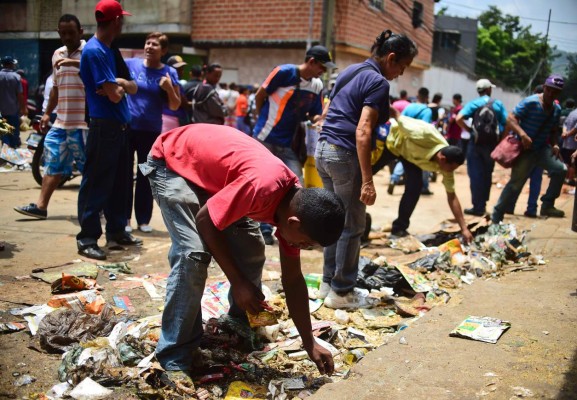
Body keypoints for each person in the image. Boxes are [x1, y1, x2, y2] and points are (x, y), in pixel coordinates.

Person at [140, 124, 345, 386]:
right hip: (171, 161)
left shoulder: (294, 208)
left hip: (211, 174)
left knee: (251, 249)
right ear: (293, 223)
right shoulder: (262, 188)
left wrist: (309, 342)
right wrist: (238, 282)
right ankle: (174, 356)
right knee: (193, 254)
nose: (302, 248)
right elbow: (206, 221)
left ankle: (237, 321)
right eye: (305, 243)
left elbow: (293, 280)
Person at [315, 30, 417, 309]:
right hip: (345, 154)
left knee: (333, 221)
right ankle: (341, 292)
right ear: (391, 58)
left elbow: (335, 109)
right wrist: (368, 181)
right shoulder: (378, 82)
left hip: (323, 150)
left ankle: (327, 283)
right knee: (351, 225)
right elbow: (362, 131)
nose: (400, 74)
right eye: (402, 67)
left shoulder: (351, 71)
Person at [76, 0, 141, 261]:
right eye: (121, 19)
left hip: (120, 126)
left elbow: (128, 87)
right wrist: (118, 88)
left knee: (120, 184)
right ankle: (87, 237)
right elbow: (114, 96)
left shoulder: (109, 49)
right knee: (97, 183)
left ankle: (116, 230)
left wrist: (120, 83)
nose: (122, 23)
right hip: (105, 126)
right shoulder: (95, 51)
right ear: (116, 21)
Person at [253, 45, 334, 244]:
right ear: (312, 61)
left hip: (288, 143)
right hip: (264, 137)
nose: (323, 72)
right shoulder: (283, 72)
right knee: (264, 185)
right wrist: (262, 118)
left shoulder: (316, 85)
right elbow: (259, 95)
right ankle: (263, 229)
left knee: (297, 184)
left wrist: (319, 120)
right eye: (322, 67)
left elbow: (314, 113)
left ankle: (291, 229)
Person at [14, 14, 88, 220]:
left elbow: (96, 79)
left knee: (88, 168)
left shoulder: (90, 52)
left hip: (83, 124)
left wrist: (74, 64)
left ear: (80, 32)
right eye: (63, 33)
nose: (67, 37)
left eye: (71, 33)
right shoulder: (57, 54)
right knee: (53, 163)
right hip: (60, 121)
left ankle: (93, 211)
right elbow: (55, 88)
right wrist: (47, 113)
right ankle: (41, 206)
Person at [125, 32, 181, 234]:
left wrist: (169, 89)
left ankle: (143, 220)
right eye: (147, 43)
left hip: (150, 131)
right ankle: (125, 220)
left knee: (145, 175)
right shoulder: (131, 65)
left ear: (163, 50)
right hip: (128, 127)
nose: (149, 47)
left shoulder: (168, 73)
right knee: (124, 175)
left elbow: (175, 105)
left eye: (155, 44)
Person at [491, 75, 567, 223]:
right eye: (549, 90)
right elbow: (510, 118)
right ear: (544, 87)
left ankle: (547, 204)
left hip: (542, 149)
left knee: (561, 170)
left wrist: (555, 144)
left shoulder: (556, 109)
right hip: (525, 151)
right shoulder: (530, 102)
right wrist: (522, 134)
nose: (551, 94)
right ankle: (496, 215)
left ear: (559, 94)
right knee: (515, 184)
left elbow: (553, 131)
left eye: (555, 92)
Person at [456, 79, 507, 216]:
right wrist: (501, 140)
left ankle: (478, 206)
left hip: (476, 143)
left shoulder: (474, 103)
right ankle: (483, 202)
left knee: (475, 174)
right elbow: (507, 123)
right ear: (489, 89)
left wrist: (470, 130)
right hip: (492, 145)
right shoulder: (497, 104)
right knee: (487, 174)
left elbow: (458, 118)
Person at [401, 87, 434, 195]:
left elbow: (400, 120)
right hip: (418, 142)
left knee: (404, 161)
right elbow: (425, 127)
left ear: (417, 95)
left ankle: (394, 177)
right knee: (424, 164)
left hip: (405, 139)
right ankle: (424, 186)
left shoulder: (409, 106)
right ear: (427, 97)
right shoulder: (426, 110)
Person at [0, 56, 27, 148]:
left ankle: (5, 151)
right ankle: (13, 150)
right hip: (13, 110)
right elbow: (20, 95)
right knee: (14, 131)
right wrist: (24, 108)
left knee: (3, 131)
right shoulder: (16, 76)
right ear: (11, 64)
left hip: (1, 111)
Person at [161, 55, 188, 131]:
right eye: (178, 69)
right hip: (171, 119)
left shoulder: (177, 83)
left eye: (182, 69)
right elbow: (183, 102)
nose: (181, 71)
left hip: (175, 119)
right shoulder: (169, 82)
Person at [561, 100, 577, 192]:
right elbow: (576, 128)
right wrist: (568, 134)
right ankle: (569, 179)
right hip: (574, 144)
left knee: (566, 161)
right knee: (572, 163)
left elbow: (565, 124)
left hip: (566, 142)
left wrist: (564, 133)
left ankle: (564, 178)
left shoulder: (572, 113)